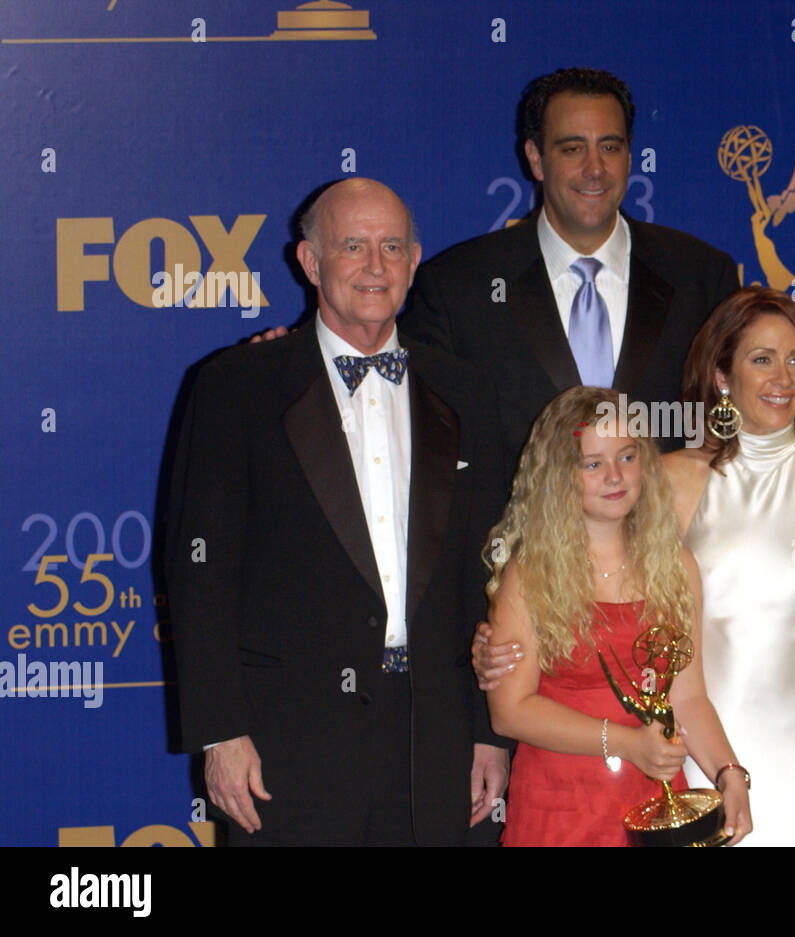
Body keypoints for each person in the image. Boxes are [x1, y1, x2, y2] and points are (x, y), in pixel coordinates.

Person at [476, 289, 795, 847]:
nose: (783, 376)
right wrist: (497, 644)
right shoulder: (671, 478)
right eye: (762, 358)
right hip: (684, 754)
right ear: (722, 376)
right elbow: (588, 578)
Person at [166, 178, 509, 845]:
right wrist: (220, 732)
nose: (375, 266)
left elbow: (490, 567)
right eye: (352, 245)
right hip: (285, 745)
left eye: (391, 246)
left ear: (415, 261)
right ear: (310, 262)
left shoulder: (464, 389)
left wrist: (490, 728)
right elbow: (198, 574)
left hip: (433, 740)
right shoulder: (237, 387)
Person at [400, 67, 738, 464]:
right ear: (536, 159)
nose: (595, 169)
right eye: (572, 148)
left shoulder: (701, 277)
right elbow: (429, 447)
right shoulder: (457, 287)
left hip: (670, 524)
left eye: (610, 147)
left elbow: (730, 430)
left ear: (630, 157)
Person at [483, 386, 752, 846]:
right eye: (593, 463)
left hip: (653, 801)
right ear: (560, 476)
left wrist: (729, 774)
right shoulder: (528, 576)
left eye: (627, 457)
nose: (615, 476)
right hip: (558, 807)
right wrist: (626, 743)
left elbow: (688, 699)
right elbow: (509, 712)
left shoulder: (677, 565)